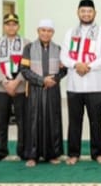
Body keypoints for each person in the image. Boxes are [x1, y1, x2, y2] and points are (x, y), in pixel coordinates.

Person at [62, 0, 101, 164]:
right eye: (83, 11)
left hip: (95, 86)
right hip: (74, 86)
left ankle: (98, 153)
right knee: (74, 122)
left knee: (96, 121)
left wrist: (88, 66)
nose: (86, 14)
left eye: (89, 11)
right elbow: (64, 56)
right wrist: (76, 65)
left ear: (95, 13)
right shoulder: (70, 33)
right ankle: (73, 154)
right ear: (78, 13)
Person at [23, 19, 68, 166]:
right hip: (35, 89)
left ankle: (52, 154)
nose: (46, 33)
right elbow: (24, 70)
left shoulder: (58, 49)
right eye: (43, 30)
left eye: (49, 31)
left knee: (52, 121)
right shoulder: (28, 48)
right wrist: (42, 80)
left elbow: (64, 69)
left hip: (52, 89)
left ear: (53, 33)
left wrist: (54, 79)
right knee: (34, 122)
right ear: (38, 31)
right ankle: (32, 156)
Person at [0, 13, 28, 162]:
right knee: (2, 120)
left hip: (20, 87)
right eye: (8, 24)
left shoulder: (26, 43)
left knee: (22, 121)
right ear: (4, 26)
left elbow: (27, 65)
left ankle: (22, 149)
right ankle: (2, 150)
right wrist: (5, 82)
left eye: (14, 24)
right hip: (2, 88)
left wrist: (16, 82)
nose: (11, 27)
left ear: (18, 26)